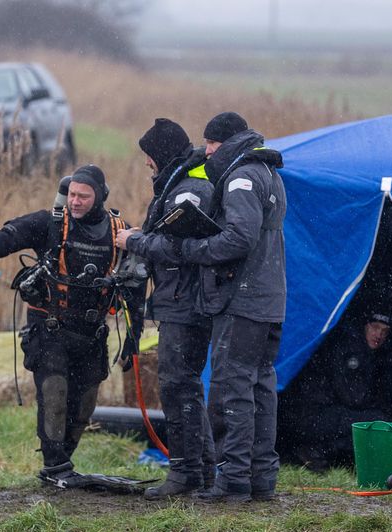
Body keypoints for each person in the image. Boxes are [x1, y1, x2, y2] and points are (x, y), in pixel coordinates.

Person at [0, 164, 143, 487]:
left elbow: (135, 284)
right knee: (54, 394)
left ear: (100, 196)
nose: (75, 202)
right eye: (72, 194)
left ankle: (63, 462)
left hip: (92, 334)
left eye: (83, 197)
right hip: (50, 328)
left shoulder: (120, 231)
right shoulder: (49, 223)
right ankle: (55, 466)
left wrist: (133, 336)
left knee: (84, 405)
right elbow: (6, 240)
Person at [118, 111, 286, 502]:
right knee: (258, 384)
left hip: (240, 297)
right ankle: (257, 477)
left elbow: (237, 240)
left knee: (232, 388)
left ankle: (229, 479)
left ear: (226, 142)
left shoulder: (241, 177)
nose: (205, 151)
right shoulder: (268, 171)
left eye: (210, 144)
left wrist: (182, 248)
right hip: (266, 295)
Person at [114, 118, 216, 499]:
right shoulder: (177, 187)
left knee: (177, 387)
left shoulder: (188, 192)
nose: (146, 164)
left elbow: (177, 248)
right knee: (185, 387)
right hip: (179, 300)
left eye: (149, 156)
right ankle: (202, 471)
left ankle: (186, 473)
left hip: (185, 303)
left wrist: (135, 241)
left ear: (163, 154)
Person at [279, 313, 392, 472]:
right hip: (311, 415)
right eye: (375, 328)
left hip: (309, 413)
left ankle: (315, 451)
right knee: (378, 422)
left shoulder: (355, 346)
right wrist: (381, 406)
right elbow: (353, 396)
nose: (379, 335)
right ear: (365, 327)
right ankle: (314, 451)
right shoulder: (351, 350)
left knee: (370, 421)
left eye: (385, 331)